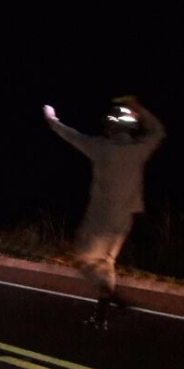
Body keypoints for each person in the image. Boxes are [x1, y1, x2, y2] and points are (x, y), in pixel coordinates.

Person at [42, 96, 166, 329]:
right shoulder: (139, 149)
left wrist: (52, 120)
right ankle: (101, 318)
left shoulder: (101, 148)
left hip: (101, 217)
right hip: (125, 217)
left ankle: (112, 295)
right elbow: (158, 131)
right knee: (106, 262)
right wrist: (139, 108)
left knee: (83, 259)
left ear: (111, 126)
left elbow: (72, 136)